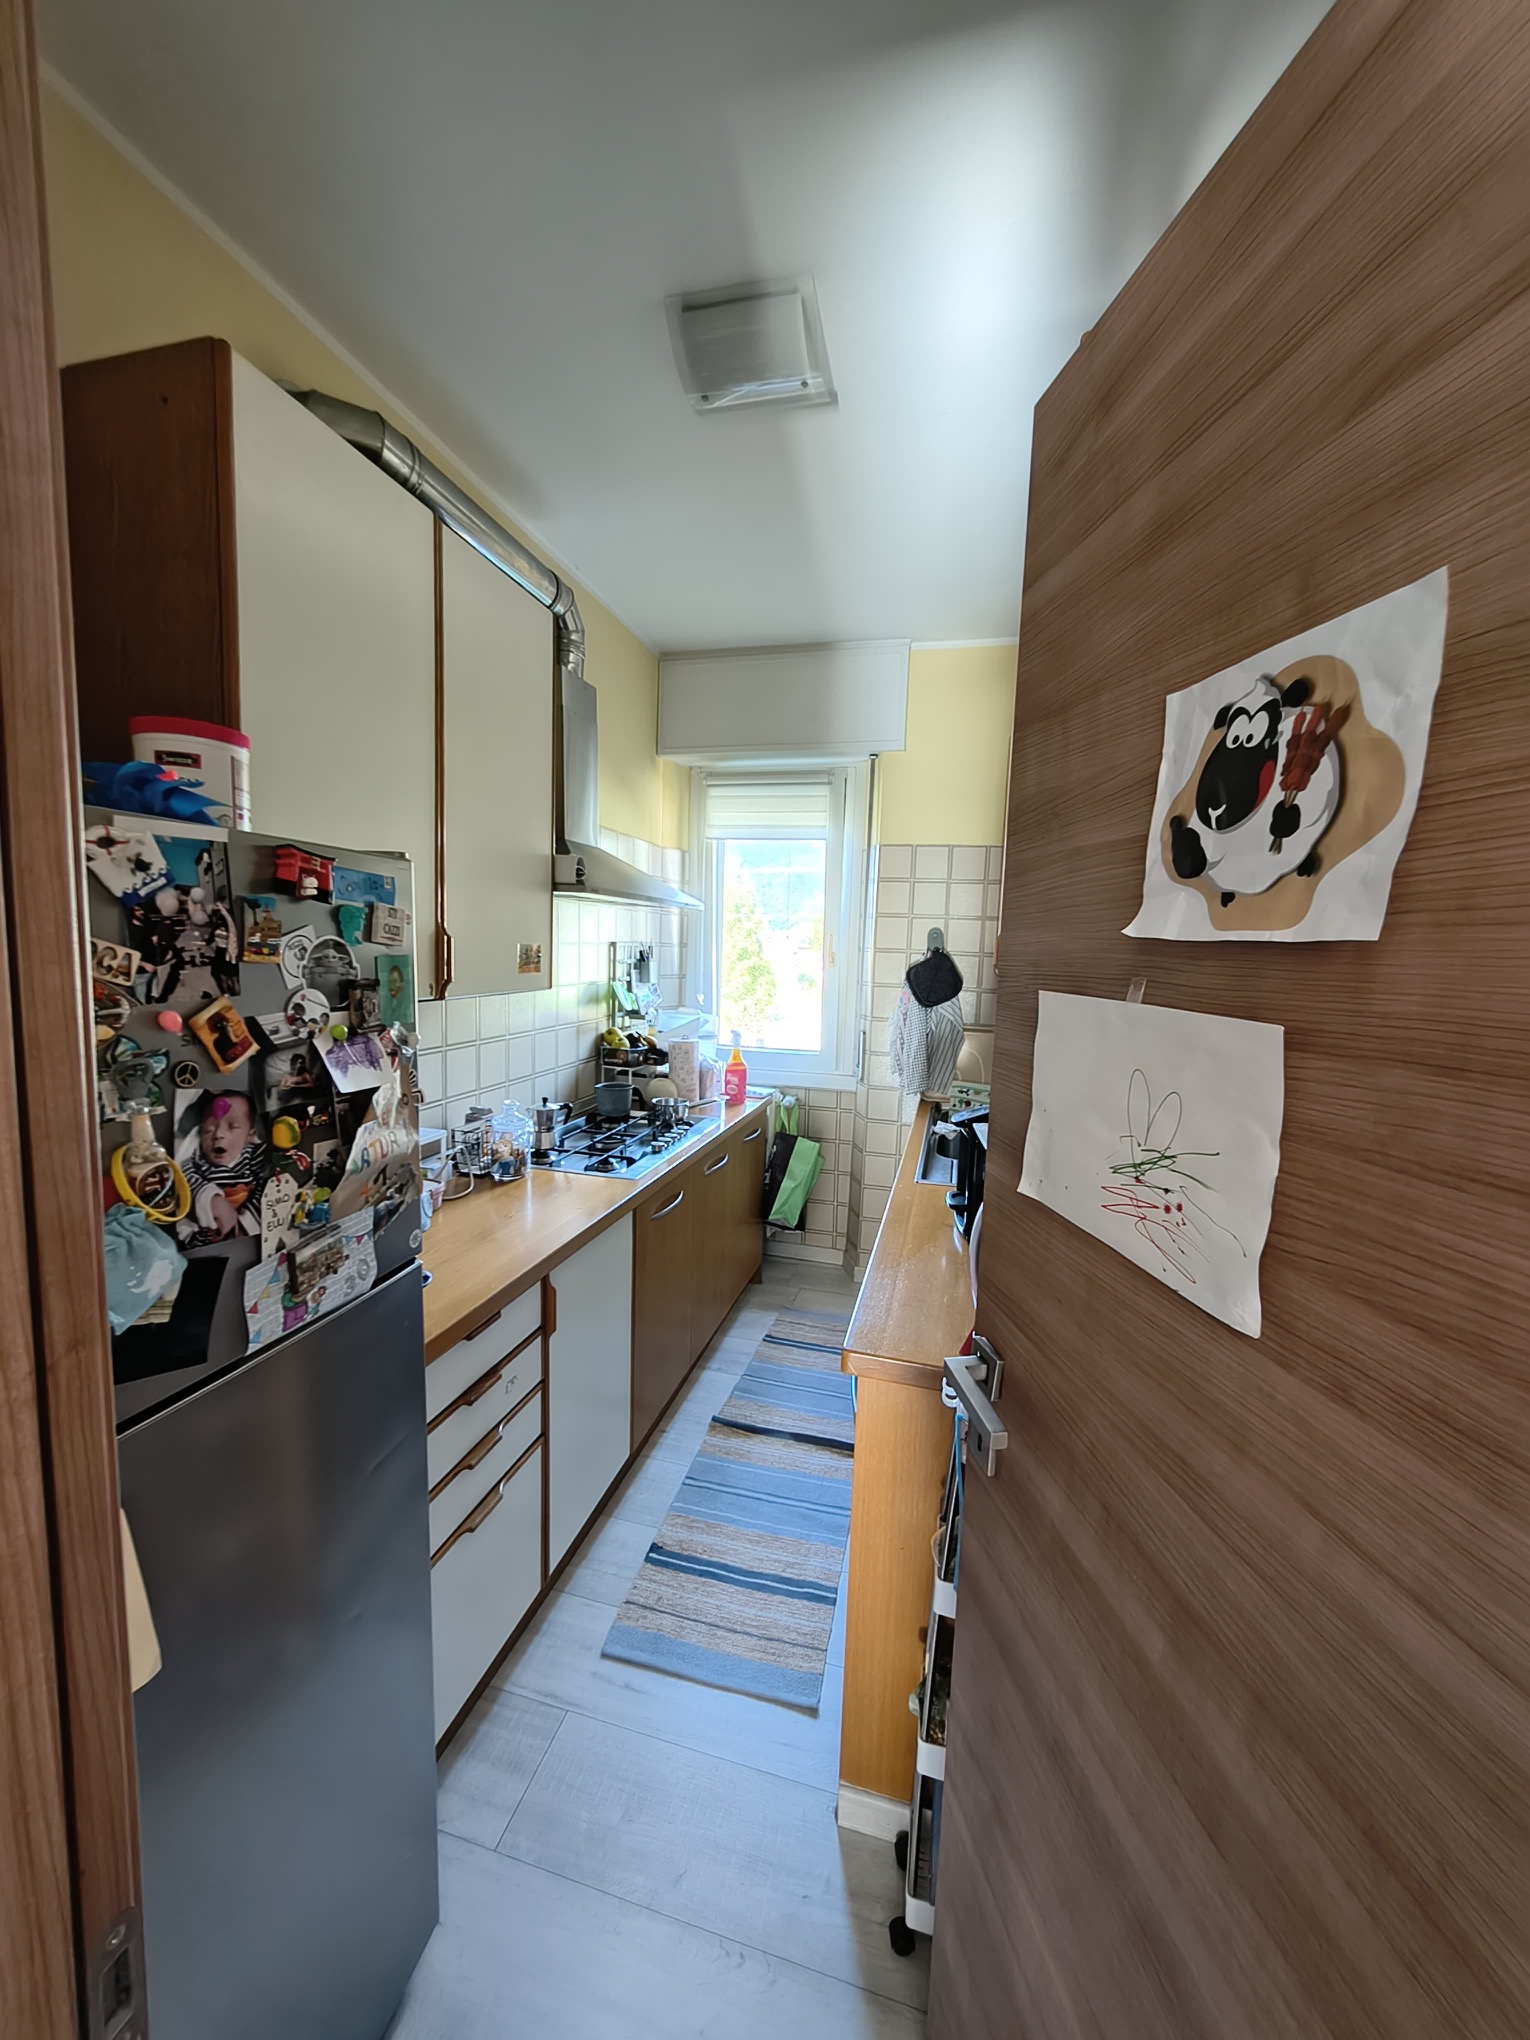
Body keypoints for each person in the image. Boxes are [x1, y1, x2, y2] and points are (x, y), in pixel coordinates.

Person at [178, 1091, 269, 1248]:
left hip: (250, 1239)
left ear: (250, 1134)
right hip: (208, 1241)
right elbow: (181, 1173)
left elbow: (270, 1183)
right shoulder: (198, 1160)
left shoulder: (254, 1155)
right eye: (209, 1129)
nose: (218, 1134)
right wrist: (209, 1198)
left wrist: (245, 1224)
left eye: (233, 1127)